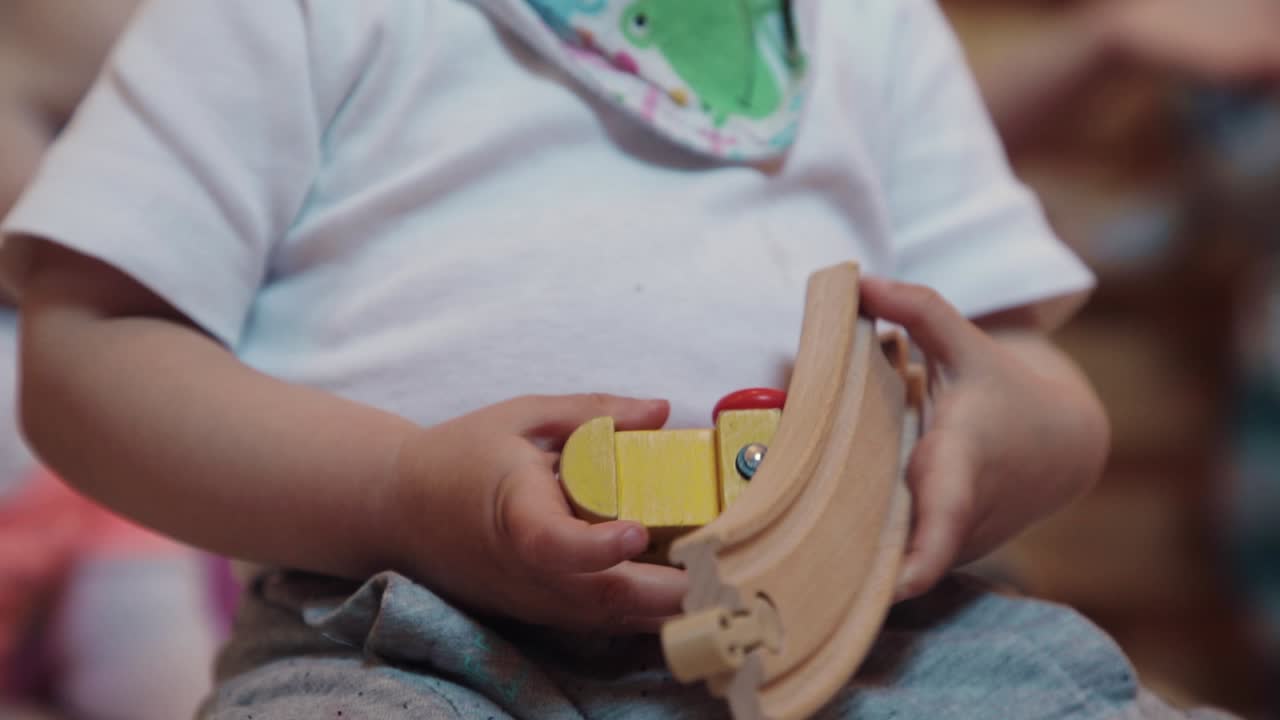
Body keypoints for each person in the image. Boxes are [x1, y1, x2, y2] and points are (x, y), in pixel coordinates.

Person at [0, 0, 1235, 717]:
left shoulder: (872, 24)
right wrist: (402, 491)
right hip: (402, 644)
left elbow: (1023, 363)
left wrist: (1013, 437)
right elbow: (86, 339)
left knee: (1064, 686)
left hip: (866, 643)